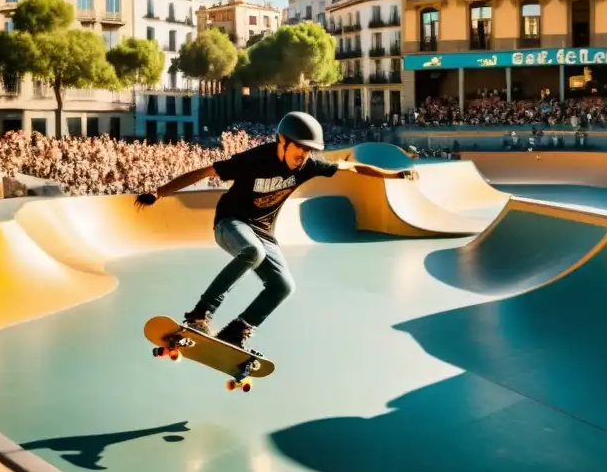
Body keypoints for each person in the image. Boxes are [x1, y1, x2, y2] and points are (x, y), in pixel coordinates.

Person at [134, 112, 417, 352]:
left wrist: (394, 175)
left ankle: (238, 329)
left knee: (283, 286)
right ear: (282, 142)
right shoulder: (254, 160)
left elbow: (351, 166)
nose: (303, 156)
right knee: (252, 252)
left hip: (264, 232)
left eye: (308, 151)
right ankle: (200, 313)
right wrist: (159, 192)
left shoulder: (308, 166)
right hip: (230, 223)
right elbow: (204, 172)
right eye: (299, 149)